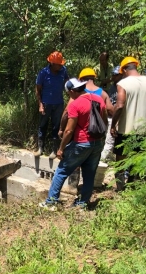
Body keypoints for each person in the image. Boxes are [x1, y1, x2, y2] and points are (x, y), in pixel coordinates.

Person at [40, 78, 107, 210]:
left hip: (81, 143)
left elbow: (69, 130)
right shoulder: (98, 99)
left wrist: (61, 148)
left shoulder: (75, 104)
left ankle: (51, 202)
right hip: (97, 143)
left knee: (61, 171)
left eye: (68, 93)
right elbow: (104, 121)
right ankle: (82, 204)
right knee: (89, 174)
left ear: (72, 91)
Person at [111, 56, 146, 190]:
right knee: (137, 158)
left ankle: (120, 188)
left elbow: (120, 105)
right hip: (144, 129)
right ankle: (133, 186)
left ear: (123, 70)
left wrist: (113, 124)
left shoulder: (123, 84)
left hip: (125, 129)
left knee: (121, 160)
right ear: (136, 66)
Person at [35, 51, 69, 159]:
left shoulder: (63, 71)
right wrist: (40, 104)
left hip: (58, 104)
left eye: (61, 64)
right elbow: (38, 90)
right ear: (52, 64)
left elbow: (68, 83)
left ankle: (54, 150)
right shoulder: (43, 73)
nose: (60, 66)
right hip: (46, 104)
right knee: (43, 125)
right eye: (58, 64)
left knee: (57, 127)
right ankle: (40, 148)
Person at [101, 66, 123, 161]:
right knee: (107, 139)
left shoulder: (123, 87)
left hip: (118, 117)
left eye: (116, 75)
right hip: (109, 116)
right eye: (113, 74)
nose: (114, 76)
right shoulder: (112, 87)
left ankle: (101, 161)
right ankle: (107, 159)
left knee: (110, 141)